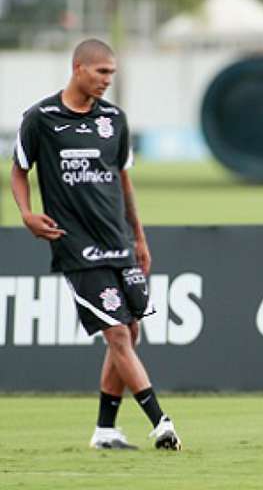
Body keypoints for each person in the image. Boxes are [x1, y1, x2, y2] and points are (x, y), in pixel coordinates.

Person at [11, 39, 181, 451]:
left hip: (119, 242)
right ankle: (161, 422)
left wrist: (139, 236)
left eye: (112, 73)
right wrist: (27, 213)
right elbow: (18, 169)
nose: (108, 80)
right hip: (76, 246)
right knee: (118, 336)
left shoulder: (114, 120)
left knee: (131, 333)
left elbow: (123, 180)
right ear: (78, 68)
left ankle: (105, 430)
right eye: (101, 72)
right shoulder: (41, 118)